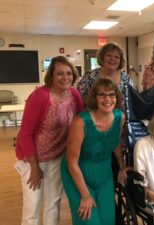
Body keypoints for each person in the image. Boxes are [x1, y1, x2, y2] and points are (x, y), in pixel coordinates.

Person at [15, 56, 84, 225]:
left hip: (57, 157)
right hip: (33, 159)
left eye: (68, 73)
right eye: (59, 73)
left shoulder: (74, 94)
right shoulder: (40, 96)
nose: (65, 77)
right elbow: (25, 135)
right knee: (33, 207)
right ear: (51, 76)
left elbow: (82, 121)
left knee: (53, 203)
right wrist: (34, 167)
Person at [60, 78, 128, 225]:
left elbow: (114, 142)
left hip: (104, 174)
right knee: (89, 221)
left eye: (112, 94)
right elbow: (72, 162)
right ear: (94, 98)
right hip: (77, 173)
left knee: (108, 220)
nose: (107, 99)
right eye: (102, 95)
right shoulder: (81, 122)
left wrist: (122, 166)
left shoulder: (119, 117)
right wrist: (85, 196)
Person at [77, 42, 135, 182]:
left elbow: (132, 103)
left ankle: (110, 195)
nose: (112, 59)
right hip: (95, 130)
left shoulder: (126, 79)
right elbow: (80, 101)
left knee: (114, 170)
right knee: (96, 171)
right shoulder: (90, 77)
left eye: (116, 56)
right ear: (102, 57)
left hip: (119, 130)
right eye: (109, 55)